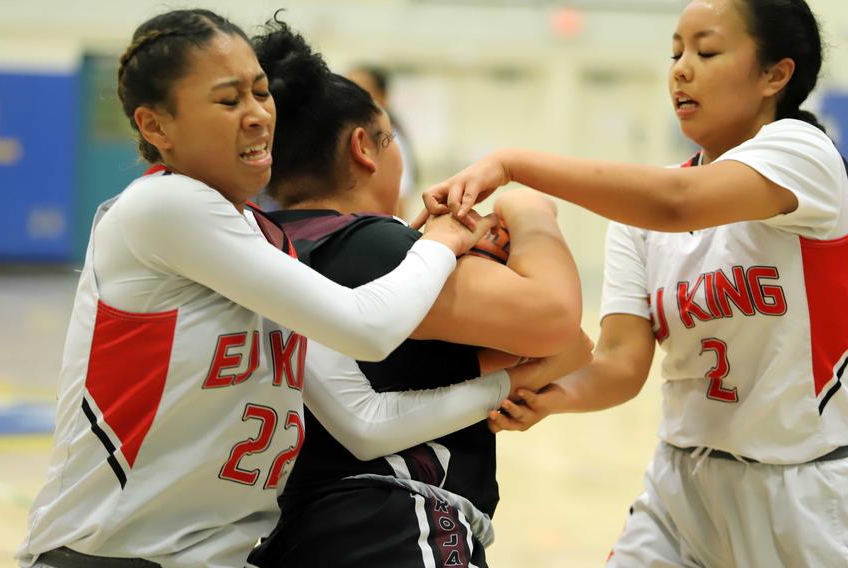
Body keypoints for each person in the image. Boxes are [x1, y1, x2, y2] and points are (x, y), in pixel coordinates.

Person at [16, 9, 499, 568]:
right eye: (228, 101)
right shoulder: (164, 205)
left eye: (261, 92)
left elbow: (363, 424)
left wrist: (508, 387)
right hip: (106, 556)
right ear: (156, 127)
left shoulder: (263, 241)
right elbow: (369, 328)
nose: (256, 115)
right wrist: (443, 240)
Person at [422, 0, 848, 566]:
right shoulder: (639, 219)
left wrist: (514, 164)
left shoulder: (803, 152)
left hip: (804, 494)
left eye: (707, 51)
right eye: (675, 52)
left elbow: (675, 204)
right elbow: (620, 363)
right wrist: (546, 398)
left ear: (776, 74)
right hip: (682, 489)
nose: (681, 69)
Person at [245, 20, 591, 567]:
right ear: (365, 149)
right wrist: (528, 208)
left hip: (297, 528)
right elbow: (558, 323)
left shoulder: (261, 245)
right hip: (393, 522)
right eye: (390, 140)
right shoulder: (366, 245)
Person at [348, 63, 420, 216]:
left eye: (360, 90)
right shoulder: (347, 137)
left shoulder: (390, 139)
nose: (350, 99)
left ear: (382, 96)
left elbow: (400, 202)